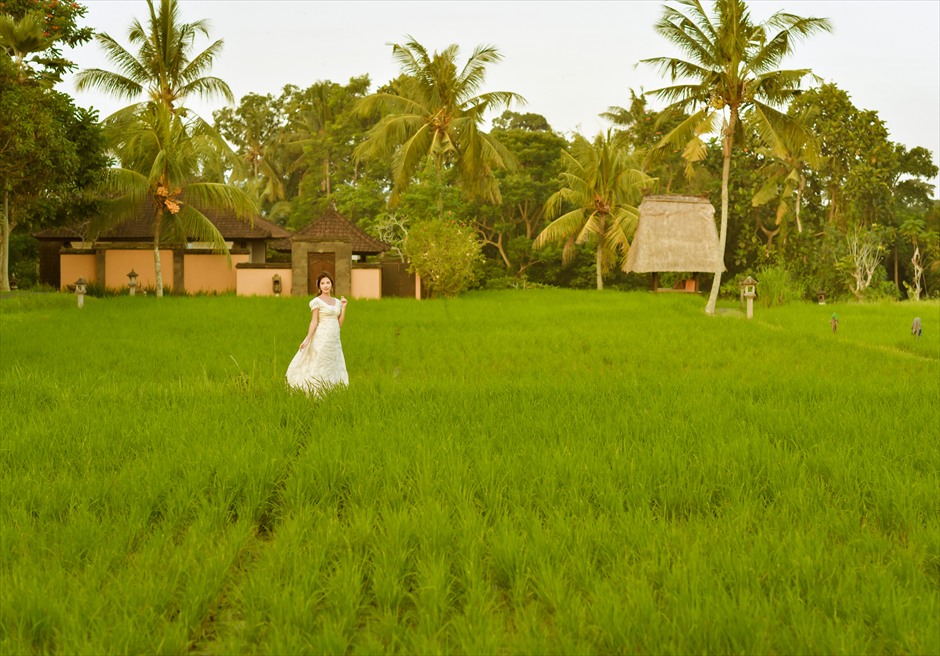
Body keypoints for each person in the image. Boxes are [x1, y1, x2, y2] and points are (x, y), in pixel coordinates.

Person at [286, 272, 348, 394]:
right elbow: (314, 321)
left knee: (333, 362)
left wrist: (344, 307)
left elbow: (339, 323)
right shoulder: (316, 301)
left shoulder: (337, 302)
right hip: (322, 336)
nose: (325, 285)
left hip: (334, 338)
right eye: (323, 283)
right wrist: (308, 338)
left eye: (328, 283)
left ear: (332, 284)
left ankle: (331, 389)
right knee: (320, 360)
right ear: (319, 286)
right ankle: (315, 389)